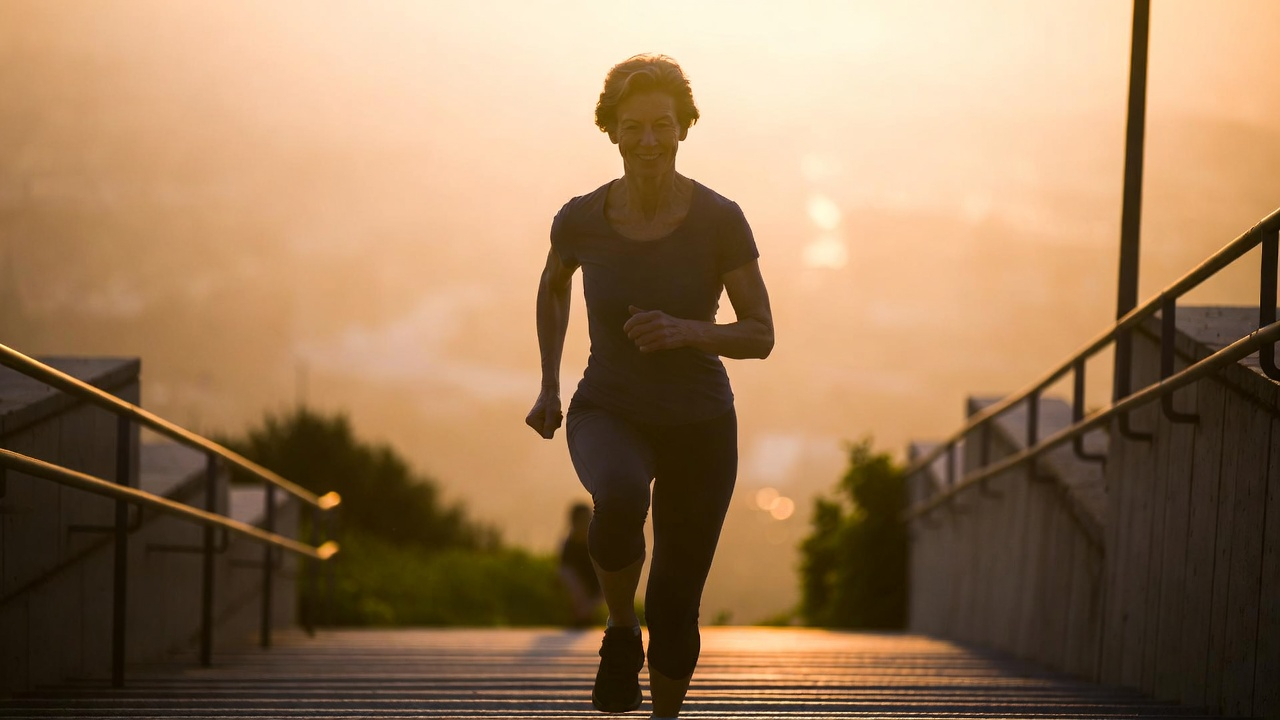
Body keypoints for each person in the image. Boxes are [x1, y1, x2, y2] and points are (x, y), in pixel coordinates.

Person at [525, 54, 774, 718]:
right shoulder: (580, 219)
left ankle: (664, 713)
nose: (649, 142)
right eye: (633, 128)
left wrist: (687, 330)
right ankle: (618, 627)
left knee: (675, 601)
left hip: (701, 423)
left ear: (684, 127)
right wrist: (549, 385)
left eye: (663, 125)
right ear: (610, 131)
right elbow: (553, 287)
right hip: (609, 406)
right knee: (621, 494)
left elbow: (761, 333)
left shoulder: (720, 219)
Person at [560, 501, 605, 626]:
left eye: (588, 519)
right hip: (580, 600)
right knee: (566, 573)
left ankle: (583, 616)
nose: (586, 523)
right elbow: (564, 572)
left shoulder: (596, 543)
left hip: (594, 597)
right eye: (584, 520)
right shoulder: (569, 546)